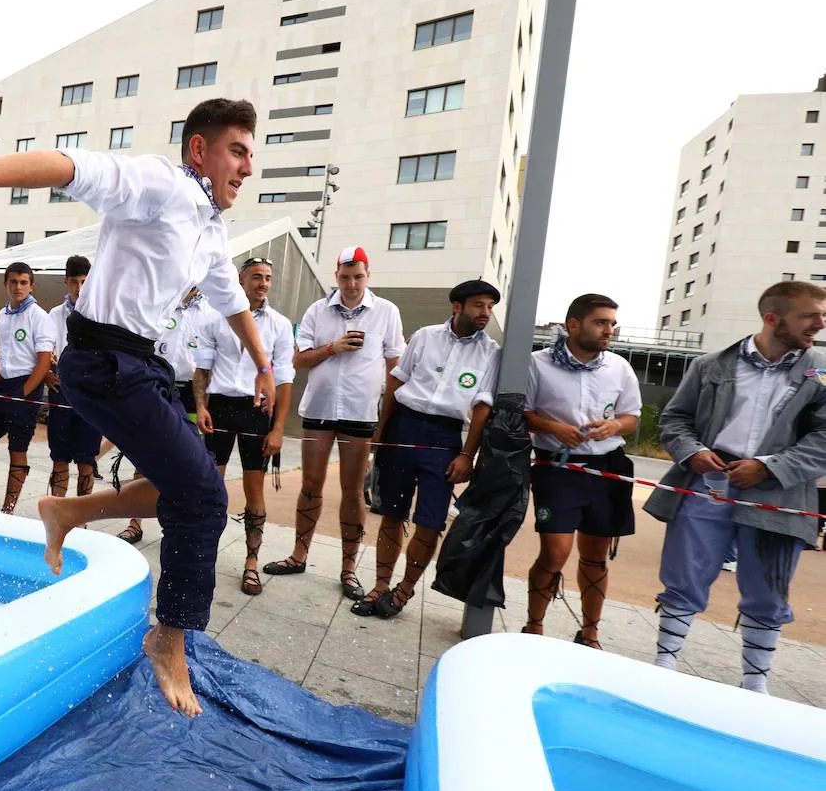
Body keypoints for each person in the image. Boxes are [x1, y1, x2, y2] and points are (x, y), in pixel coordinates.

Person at [0, 97, 273, 717]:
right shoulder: (161, 182)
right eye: (238, 151)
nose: (247, 167)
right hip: (102, 362)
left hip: (140, 365)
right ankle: (168, 642)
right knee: (204, 497)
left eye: (251, 155)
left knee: (190, 489)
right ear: (199, 150)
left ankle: (67, 510)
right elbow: (69, 166)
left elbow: (231, 300)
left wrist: (262, 364)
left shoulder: (209, 225)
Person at [648, 281, 826, 693]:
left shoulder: (820, 376)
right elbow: (675, 419)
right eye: (809, 315)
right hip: (707, 483)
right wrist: (692, 452)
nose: (820, 322)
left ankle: (754, 685)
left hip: (779, 494)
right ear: (772, 318)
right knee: (683, 574)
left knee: (768, 587)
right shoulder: (711, 365)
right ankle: (662, 666)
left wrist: (769, 467)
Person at [354, 279, 501, 620]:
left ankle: (403, 591)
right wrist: (381, 430)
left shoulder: (491, 353)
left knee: (431, 522)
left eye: (490, 307)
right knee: (391, 513)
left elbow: (482, 407)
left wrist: (467, 454)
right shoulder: (425, 336)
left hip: (445, 439)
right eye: (479, 305)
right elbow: (397, 382)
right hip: (404, 427)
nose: (485, 313)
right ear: (457, 306)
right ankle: (380, 585)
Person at [268, 246, 404, 600]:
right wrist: (333, 347)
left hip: (360, 413)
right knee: (311, 484)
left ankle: (348, 569)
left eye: (358, 277)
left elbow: (395, 368)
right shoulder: (317, 310)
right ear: (336, 277)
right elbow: (298, 360)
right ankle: (299, 556)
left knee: (353, 489)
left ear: (368, 276)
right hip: (320, 409)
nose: (351, 284)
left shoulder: (386, 312)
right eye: (345, 277)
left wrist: (386, 420)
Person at [521, 294, 642, 650]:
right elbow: (523, 411)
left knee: (595, 556)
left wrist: (614, 426)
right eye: (601, 322)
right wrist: (552, 428)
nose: (609, 330)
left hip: (606, 469)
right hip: (556, 467)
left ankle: (590, 633)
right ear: (573, 325)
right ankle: (534, 626)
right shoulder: (537, 363)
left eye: (612, 323)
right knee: (555, 552)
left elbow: (631, 418)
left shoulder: (619, 367)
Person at [192, 256, 294, 596]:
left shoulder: (280, 324)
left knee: (254, 490)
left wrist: (278, 427)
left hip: (255, 413)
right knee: (209, 488)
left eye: (267, 277)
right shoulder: (216, 319)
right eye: (256, 277)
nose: (262, 283)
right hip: (219, 408)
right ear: (241, 279)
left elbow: (284, 380)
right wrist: (201, 407)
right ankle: (202, 555)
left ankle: (251, 562)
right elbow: (202, 370)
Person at [117, 284, 208, 545]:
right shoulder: (162, 300)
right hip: (157, 385)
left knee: (187, 461)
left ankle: (178, 525)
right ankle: (134, 524)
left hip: (193, 392)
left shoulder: (209, 310)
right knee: (142, 459)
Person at [0, 262, 56, 513]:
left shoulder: (39, 316)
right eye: (13, 282)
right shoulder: (3, 314)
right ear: (6, 283)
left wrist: (24, 392)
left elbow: (42, 362)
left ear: (31, 285)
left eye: (23, 282)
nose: (18, 287)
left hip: (26, 386)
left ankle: (9, 508)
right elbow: (5, 353)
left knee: (18, 450)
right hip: (3, 383)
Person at [45, 256, 104, 501]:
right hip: (62, 391)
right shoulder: (55, 314)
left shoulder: (101, 312)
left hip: (90, 394)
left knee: (86, 460)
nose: (79, 288)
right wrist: (47, 373)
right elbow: (44, 349)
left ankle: (81, 516)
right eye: (74, 282)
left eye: (83, 282)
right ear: (66, 282)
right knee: (59, 457)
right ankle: (58, 508)